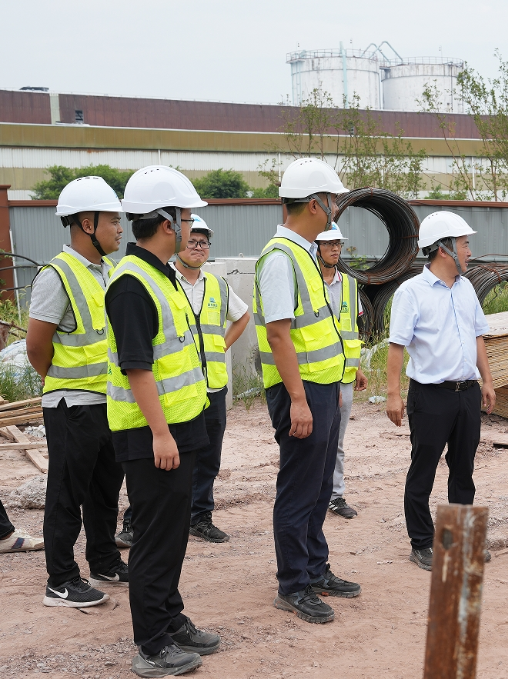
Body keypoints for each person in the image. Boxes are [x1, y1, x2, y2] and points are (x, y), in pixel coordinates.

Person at [109, 165, 222, 677]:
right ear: (165, 221)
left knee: (173, 535)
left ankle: (170, 619)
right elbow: (136, 367)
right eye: (186, 218)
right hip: (152, 434)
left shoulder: (162, 275)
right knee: (155, 539)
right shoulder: (132, 284)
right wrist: (160, 432)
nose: (190, 227)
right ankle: (152, 644)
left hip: (181, 427)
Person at [254, 158, 360, 625]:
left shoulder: (304, 254)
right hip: (300, 393)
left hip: (321, 389)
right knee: (299, 490)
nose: (336, 208)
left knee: (318, 487)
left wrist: (330, 388)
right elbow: (279, 335)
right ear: (315, 204)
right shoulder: (281, 257)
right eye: (332, 200)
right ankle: (293, 584)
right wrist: (299, 400)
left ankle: (315, 569)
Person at [25, 176, 127, 609]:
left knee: (105, 489)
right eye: (113, 220)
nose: (120, 228)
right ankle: (61, 580)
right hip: (72, 404)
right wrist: (62, 380)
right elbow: (36, 346)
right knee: (67, 491)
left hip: (108, 401)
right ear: (87, 224)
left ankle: (103, 560)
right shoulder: (57, 275)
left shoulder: (109, 271)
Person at [385, 211, 497, 571]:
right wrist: (392, 393)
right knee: (423, 470)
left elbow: (477, 336)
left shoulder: (466, 288)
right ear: (444, 248)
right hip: (430, 396)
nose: (469, 251)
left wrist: (487, 380)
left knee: (463, 469)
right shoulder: (411, 293)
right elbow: (396, 346)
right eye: (464, 244)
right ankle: (421, 543)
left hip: (467, 393)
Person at [172, 214, 250, 542]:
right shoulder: (164, 281)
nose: (198, 247)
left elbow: (242, 316)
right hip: (176, 389)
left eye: (203, 242)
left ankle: (200, 517)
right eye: (191, 241)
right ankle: (147, 519)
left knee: (208, 458)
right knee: (168, 457)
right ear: (177, 243)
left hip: (213, 386)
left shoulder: (217, 285)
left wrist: (221, 345)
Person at [315, 227, 367, 520]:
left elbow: (352, 329)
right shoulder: (307, 284)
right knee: (315, 440)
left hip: (344, 375)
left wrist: (357, 367)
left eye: (337, 244)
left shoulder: (349, 284)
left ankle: (335, 496)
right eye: (329, 244)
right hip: (316, 374)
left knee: (337, 441)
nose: (335, 249)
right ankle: (312, 492)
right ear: (316, 247)